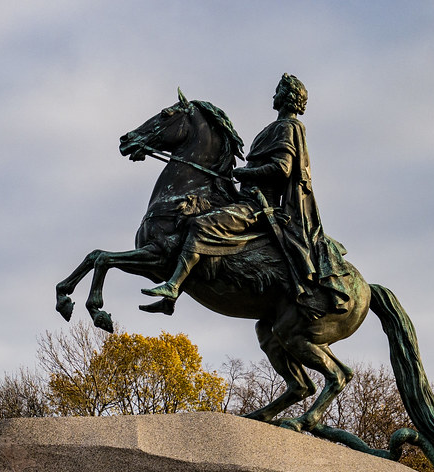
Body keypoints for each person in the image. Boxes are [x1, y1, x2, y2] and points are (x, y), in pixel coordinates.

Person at [142, 73, 350, 318]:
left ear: (286, 97)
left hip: (259, 206)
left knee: (201, 224)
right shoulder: (274, 128)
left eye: (277, 91)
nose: (273, 95)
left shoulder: (287, 127)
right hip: (247, 199)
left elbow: (282, 168)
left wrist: (246, 172)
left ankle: (173, 287)